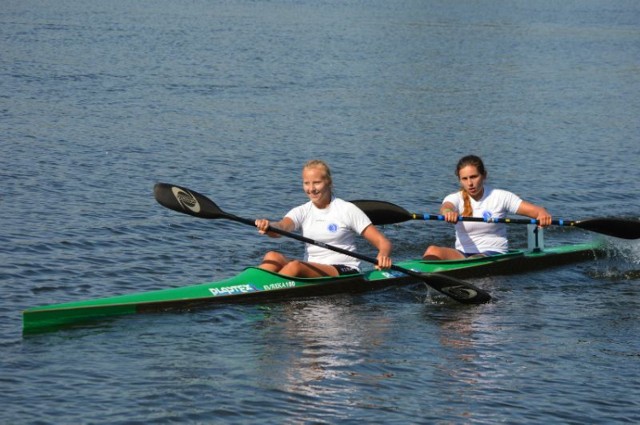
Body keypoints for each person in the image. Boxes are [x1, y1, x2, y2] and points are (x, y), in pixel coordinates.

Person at [255, 159, 393, 277]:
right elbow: (282, 227)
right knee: (272, 256)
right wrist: (269, 227)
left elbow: (383, 242)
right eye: (306, 183)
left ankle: (260, 292)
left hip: (345, 269)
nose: (311, 189)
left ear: (329, 182)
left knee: (296, 266)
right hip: (311, 268)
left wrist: (383, 255)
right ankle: (248, 287)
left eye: (316, 182)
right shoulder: (302, 211)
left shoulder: (347, 209)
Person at [423, 155, 552, 260]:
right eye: (465, 179)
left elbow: (538, 211)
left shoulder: (501, 197)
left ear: (484, 175)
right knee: (432, 251)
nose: (470, 183)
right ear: (460, 180)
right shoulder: (455, 198)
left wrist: (543, 215)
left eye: (474, 177)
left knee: (476, 259)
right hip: (462, 254)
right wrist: (448, 212)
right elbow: (446, 207)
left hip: (494, 254)